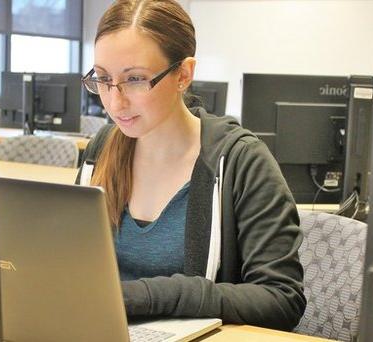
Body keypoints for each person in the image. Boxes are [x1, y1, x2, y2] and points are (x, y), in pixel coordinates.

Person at [76, 0, 305, 331]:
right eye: (103, 78)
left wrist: (153, 296)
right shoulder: (102, 149)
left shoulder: (241, 161)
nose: (115, 101)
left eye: (136, 79)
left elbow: (282, 299)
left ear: (183, 74)